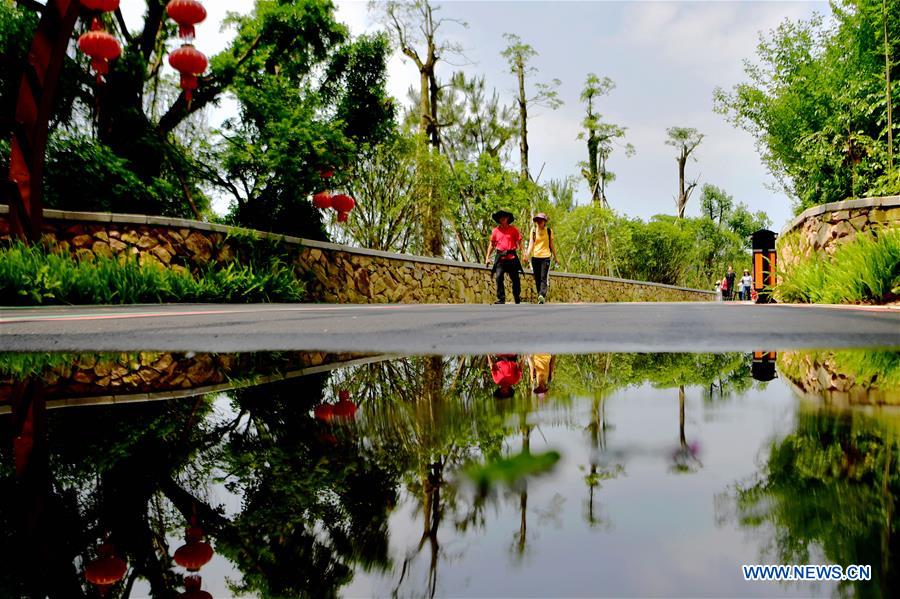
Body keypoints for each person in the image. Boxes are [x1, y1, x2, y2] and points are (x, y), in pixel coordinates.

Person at [485, 209, 524, 304]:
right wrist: (487, 257)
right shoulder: (495, 231)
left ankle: (517, 296)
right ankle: (501, 298)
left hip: (512, 257)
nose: (503, 218)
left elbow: (519, 242)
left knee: (515, 278)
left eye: (505, 216)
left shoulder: (514, 230)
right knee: (498, 277)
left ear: (508, 218)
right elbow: (492, 244)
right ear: (498, 219)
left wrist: (524, 253)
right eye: (501, 217)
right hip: (500, 258)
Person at [524, 213, 560, 304]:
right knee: (537, 277)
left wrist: (556, 258)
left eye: (541, 220)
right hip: (535, 257)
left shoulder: (549, 231)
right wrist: (527, 255)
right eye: (538, 220)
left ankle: (542, 295)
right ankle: (540, 296)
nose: (539, 222)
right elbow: (531, 244)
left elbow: (552, 245)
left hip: (546, 257)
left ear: (545, 221)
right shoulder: (533, 230)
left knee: (543, 277)